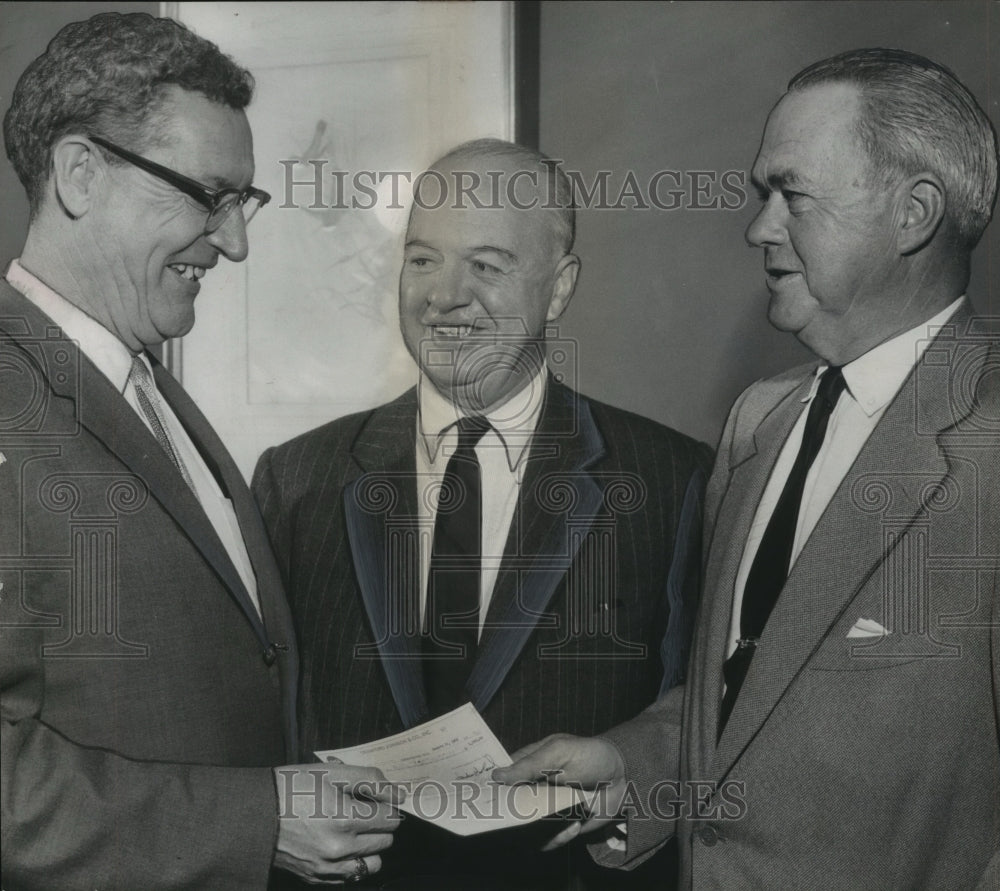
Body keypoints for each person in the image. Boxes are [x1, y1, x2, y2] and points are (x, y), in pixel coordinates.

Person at [495, 48, 1000, 888]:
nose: (758, 227)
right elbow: (750, 700)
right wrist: (630, 765)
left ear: (913, 214)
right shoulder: (759, 421)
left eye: (791, 194)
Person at [0, 13, 398, 890]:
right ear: (79, 174)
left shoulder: (144, 386)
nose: (235, 241)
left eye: (240, 202)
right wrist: (258, 821)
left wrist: (289, 793)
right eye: (206, 195)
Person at [253, 139, 713, 888]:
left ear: (559, 288)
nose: (443, 295)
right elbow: (262, 724)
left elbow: (705, 710)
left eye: (488, 265)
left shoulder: (669, 476)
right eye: (423, 259)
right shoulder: (296, 477)